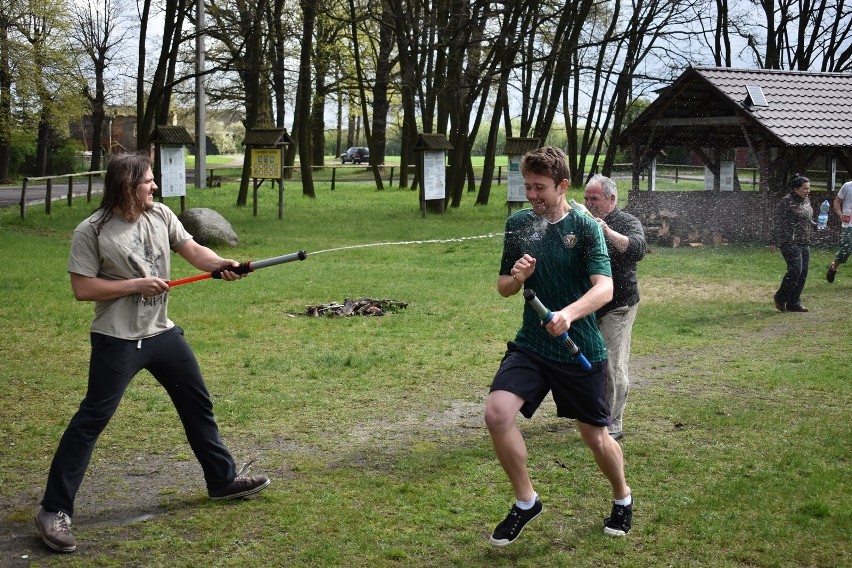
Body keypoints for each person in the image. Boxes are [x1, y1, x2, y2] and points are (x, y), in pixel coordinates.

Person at [35, 152, 271, 553]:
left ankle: (221, 480)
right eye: (148, 181)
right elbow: (83, 289)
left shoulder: (160, 215)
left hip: (161, 334)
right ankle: (54, 510)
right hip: (118, 339)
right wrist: (134, 285)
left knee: (197, 405)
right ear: (128, 185)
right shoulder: (92, 231)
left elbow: (194, 251)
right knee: (92, 419)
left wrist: (223, 264)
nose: (155, 186)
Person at [484, 146, 633, 547]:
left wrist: (567, 314)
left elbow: (605, 288)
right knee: (497, 414)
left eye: (540, 188)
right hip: (532, 344)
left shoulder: (585, 227)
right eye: (527, 186)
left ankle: (622, 496)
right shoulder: (518, 224)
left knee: (596, 438)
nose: (531, 195)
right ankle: (526, 500)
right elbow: (502, 288)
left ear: (563, 185)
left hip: (578, 347)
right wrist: (516, 277)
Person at [584, 174, 647, 442]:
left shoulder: (627, 221)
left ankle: (613, 422)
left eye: (594, 199)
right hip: (587, 305)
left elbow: (638, 249)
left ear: (611, 199)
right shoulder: (582, 221)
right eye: (586, 198)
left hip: (619, 305)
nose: (588, 203)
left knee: (612, 364)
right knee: (588, 362)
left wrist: (606, 232)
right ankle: (592, 412)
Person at [772, 174, 814, 312]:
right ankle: (780, 297)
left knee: (803, 273)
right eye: (805, 188)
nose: (808, 191)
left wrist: (815, 223)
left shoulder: (806, 200)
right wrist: (773, 241)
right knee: (795, 270)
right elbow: (776, 222)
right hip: (790, 241)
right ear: (796, 189)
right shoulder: (786, 201)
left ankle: (793, 303)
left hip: (804, 241)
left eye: (809, 188)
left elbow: (806, 217)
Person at [826, 180, 852, 283]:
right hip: (849, 224)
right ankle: (834, 267)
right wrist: (840, 214)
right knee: (846, 248)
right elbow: (837, 201)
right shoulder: (848, 186)